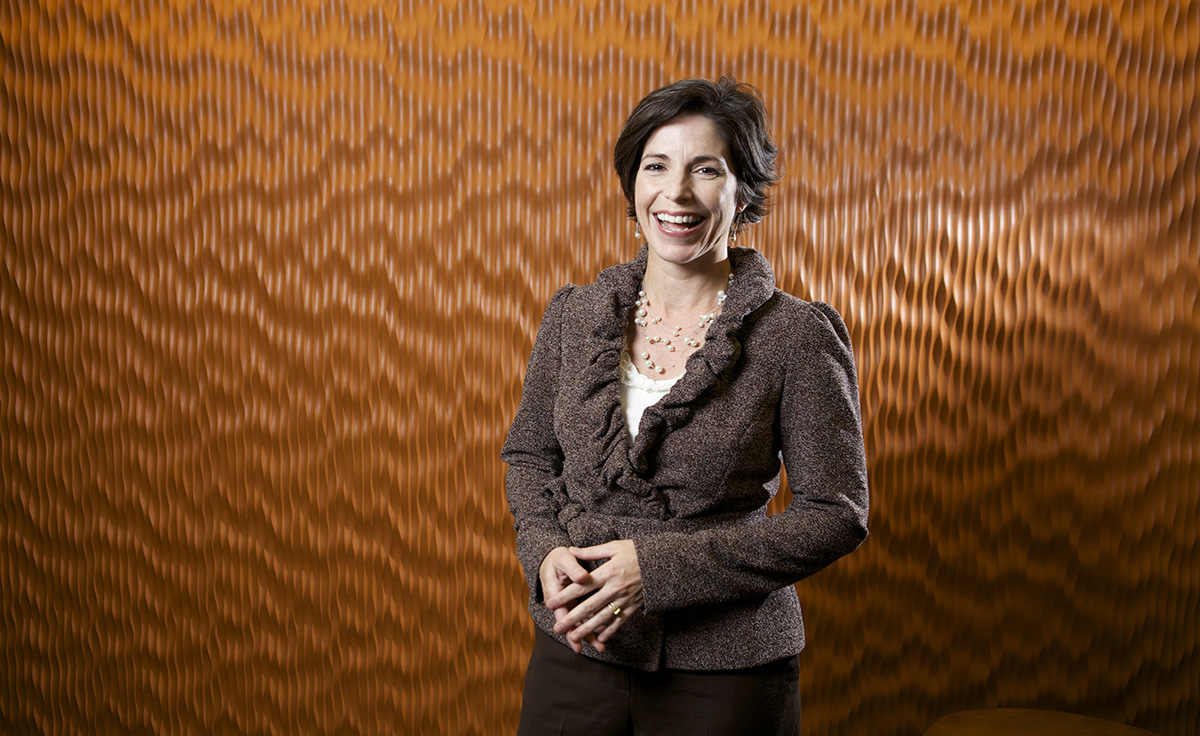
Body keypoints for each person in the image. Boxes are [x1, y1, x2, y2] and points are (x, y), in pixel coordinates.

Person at [501, 77, 870, 736]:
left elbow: (836, 513)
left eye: (706, 169)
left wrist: (660, 570)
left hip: (725, 674)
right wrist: (544, 551)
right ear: (633, 184)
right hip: (577, 649)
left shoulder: (798, 334)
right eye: (656, 166)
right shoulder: (574, 314)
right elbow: (530, 456)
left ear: (742, 190)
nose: (676, 193)